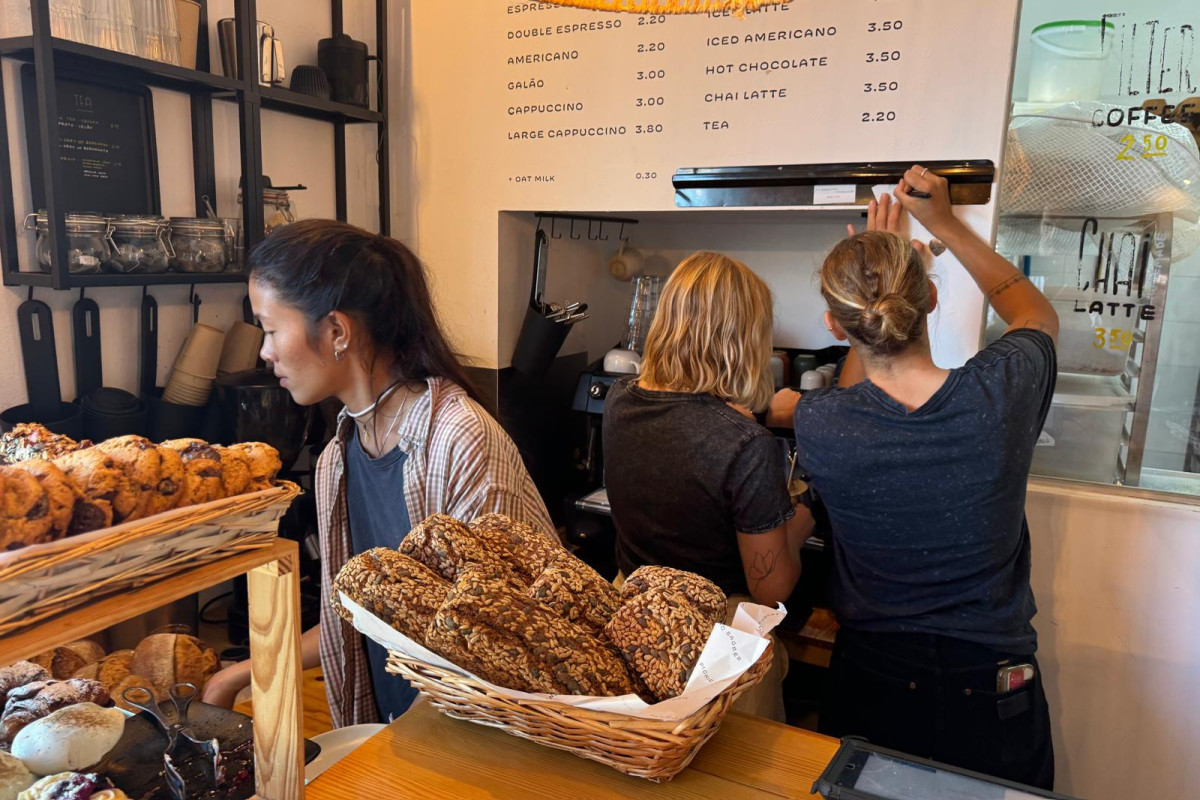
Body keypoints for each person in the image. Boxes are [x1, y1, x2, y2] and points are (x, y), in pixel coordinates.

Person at [201, 220, 555, 727]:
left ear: (337, 331)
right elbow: (354, 615)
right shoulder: (338, 457)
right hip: (398, 727)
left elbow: (495, 641)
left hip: (477, 739)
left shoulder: (459, 440)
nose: (265, 350)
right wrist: (236, 676)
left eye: (272, 328)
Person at [771, 166, 1058, 788]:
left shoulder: (822, 421)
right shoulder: (1001, 393)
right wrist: (942, 224)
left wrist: (877, 278)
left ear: (834, 326)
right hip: (992, 680)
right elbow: (1031, 311)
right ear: (930, 298)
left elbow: (857, 392)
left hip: (871, 675)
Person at [603, 251, 814, 721]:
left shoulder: (620, 401)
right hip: (718, 645)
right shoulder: (748, 446)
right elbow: (770, 589)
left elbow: (688, 429)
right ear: (744, 340)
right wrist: (800, 523)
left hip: (635, 615)